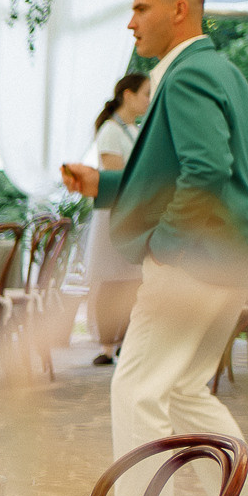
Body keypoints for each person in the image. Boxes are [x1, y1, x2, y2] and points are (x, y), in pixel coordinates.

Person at [60, 0, 248, 496]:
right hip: (231, 258)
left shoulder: (185, 75)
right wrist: (106, 186)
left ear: (178, 10)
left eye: (140, 8)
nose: (131, 22)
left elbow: (207, 172)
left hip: (191, 257)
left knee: (135, 386)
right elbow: (197, 169)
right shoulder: (224, 71)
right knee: (184, 386)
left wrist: (163, 244)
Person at [85, 73, 149, 367]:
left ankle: (125, 340)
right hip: (115, 213)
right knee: (112, 280)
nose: (149, 100)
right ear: (128, 95)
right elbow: (116, 178)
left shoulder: (135, 130)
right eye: (145, 93)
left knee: (132, 280)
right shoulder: (111, 130)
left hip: (134, 214)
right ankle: (107, 345)